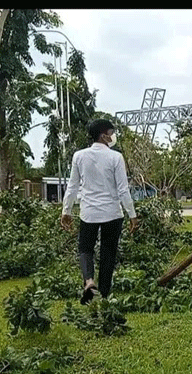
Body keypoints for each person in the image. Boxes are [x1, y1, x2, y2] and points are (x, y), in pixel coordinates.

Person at [61, 119, 139, 303]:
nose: (113, 136)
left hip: (89, 213)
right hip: (112, 213)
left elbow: (72, 187)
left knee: (85, 249)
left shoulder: (79, 156)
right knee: (108, 253)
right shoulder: (116, 157)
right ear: (103, 135)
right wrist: (132, 215)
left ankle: (89, 281)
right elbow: (123, 190)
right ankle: (103, 294)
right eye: (111, 133)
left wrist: (66, 211)